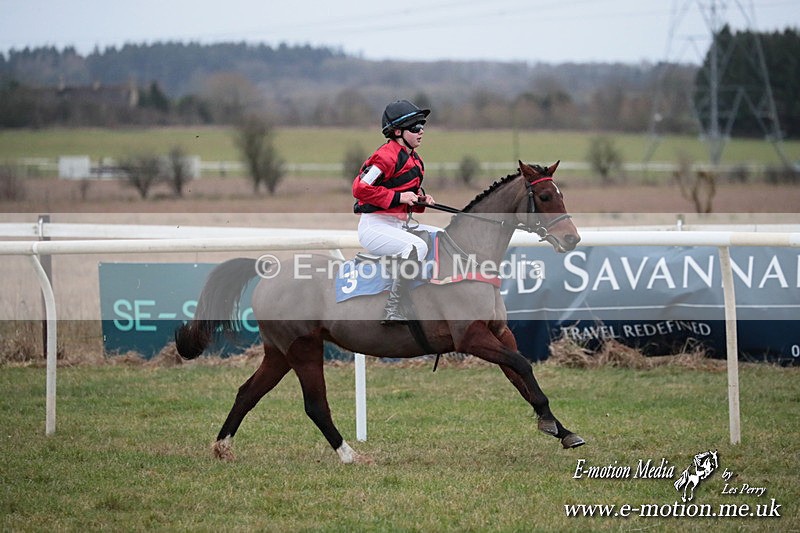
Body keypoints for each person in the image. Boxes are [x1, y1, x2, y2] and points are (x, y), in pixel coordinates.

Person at [352, 99, 441, 325]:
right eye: (415, 128)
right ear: (398, 132)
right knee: (416, 246)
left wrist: (421, 200)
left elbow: (407, 196)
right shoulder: (385, 157)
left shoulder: (415, 160)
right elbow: (360, 188)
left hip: (397, 225)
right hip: (375, 226)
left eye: (422, 127)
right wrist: (401, 198)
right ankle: (393, 308)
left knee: (441, 235)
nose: (421, 132)